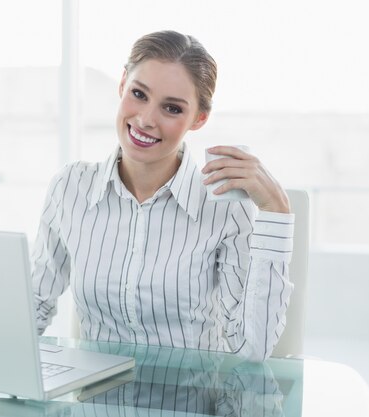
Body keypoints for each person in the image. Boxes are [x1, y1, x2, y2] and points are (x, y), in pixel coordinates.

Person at [32, 30, 294, 361]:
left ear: (198, 118)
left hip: (190, 405)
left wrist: (277, 210)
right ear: (123, 83)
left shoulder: (224, 208)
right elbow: (33, 307)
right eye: (139, 94)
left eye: (171, 108)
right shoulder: (70, 187)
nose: (146, 120)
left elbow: (251, 347)